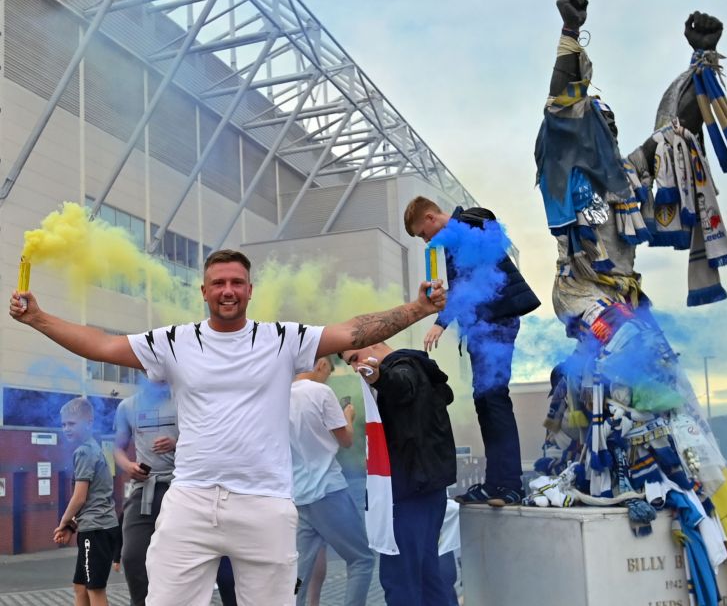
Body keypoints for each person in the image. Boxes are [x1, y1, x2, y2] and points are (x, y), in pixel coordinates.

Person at [10, 249, 445, 606]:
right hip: (191, 501)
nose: (228, 291)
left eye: (237, 282)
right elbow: (104, 346)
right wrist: (37, 319)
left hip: (264, 503)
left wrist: (419, 308)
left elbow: (353, 331)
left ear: (250, 290)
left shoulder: (281, 338)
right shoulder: (176, 342)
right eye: (218, 283)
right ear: (204, 290)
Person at [404, 197, 540, 506]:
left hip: (497, 322)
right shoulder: (454, 240)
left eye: (422, 234)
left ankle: (509, 485)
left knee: (493, 399)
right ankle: (497, 483)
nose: (425, 240)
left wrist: (440, 322)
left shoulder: (466, 226)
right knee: (486, 401)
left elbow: (467, 281)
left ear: (429, 218)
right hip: (485, 325)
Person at [341, 342, 456, 606]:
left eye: (356, 357)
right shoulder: (420, 368)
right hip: (426, 489)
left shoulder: (403, 368)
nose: (356, 366)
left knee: (401, 578)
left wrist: (380, 377)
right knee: (428, 575)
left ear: (375, 344)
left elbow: (401, 385)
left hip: (409, 492)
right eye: (350, 362)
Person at [289, 356, 373, 606]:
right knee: (362, 560)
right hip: (328, 490)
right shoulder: (321, 392)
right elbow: (345, 440)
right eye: (328, 372)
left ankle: (291, 601)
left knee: (299, 572)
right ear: (321, 364)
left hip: (299, 493)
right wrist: (348, 416)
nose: (327, 378)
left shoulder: (278, 396)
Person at [113, 383, 178, 605]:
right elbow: (118, 448)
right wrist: (128, 466)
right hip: (144, 490)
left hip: (180, 489)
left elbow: (206, 441)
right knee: (132, 557)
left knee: (177, 561)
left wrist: (176, 443)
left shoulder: (184, 400)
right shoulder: (127, 406)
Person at [56, 397, 121, 606]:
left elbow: (79, 497)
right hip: (94, 528)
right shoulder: (93, 448)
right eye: (63, 424)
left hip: (96, 531)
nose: (66, 428)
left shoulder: (84, 452)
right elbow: (92, 500)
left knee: (95, 589)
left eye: (72, 423)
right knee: (80, 587)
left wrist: (63, 523)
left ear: (89, 422)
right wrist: (73, 526)